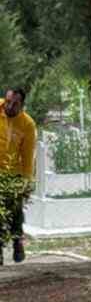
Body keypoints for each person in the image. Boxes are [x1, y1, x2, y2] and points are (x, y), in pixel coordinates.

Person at [0, 87, 36, 264]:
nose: (10, 106)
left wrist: (26, 182)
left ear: (22, 105)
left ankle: (17, 241)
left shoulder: (27, 124)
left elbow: (27, 156)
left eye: (15, 104)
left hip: (12, 174)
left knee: (15, 210)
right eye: (8, 102)